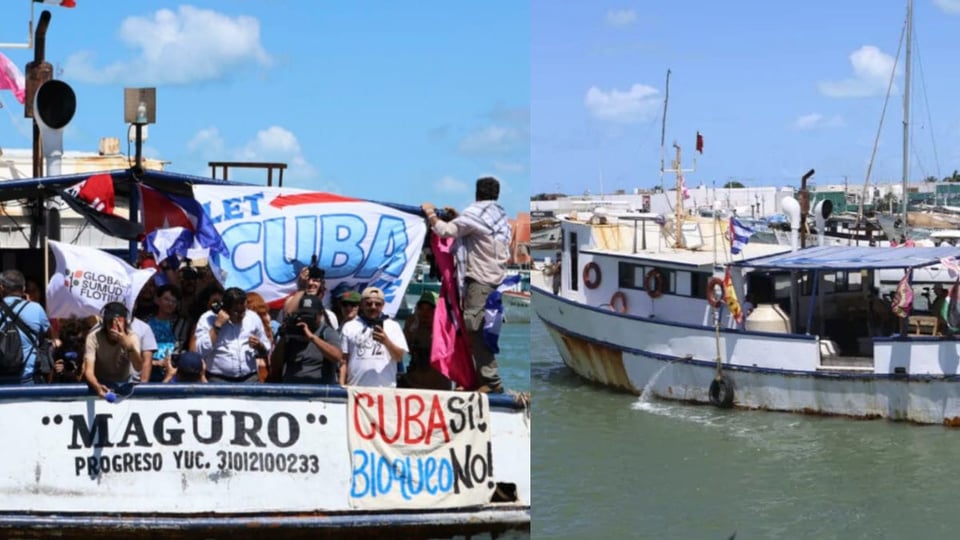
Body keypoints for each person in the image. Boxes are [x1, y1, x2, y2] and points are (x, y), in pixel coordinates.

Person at [421, 176, 510, 393]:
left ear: (477, 193)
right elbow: (478, 230)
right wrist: (459, 217)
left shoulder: (475, 213)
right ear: (496, 194)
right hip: (495, 281)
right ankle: (477, 378)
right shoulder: (499, 215)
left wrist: (430, 213)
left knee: (475, 328)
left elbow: (445, 231)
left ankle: (491, 382)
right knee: (484, 328)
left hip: (479, 280)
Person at [193, 287, 271, 383]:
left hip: (249, 379)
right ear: (225, 308)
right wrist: (217, 326)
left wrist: (259, 346)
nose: (241, 316)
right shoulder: (207, 319)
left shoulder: (253, 318)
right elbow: (200, 350)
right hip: (219, 380)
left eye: (243, 311)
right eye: (236, 312)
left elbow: (266, 348)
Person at [340, 287, 408, 387]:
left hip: (384, 391)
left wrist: (386, 341)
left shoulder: (393, 326)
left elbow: (399, 357)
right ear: (362, 305)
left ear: (383, 305)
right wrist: (342, 385)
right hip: (355, 389)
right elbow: (343, 360)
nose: (373, 307)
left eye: (378, 304)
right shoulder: (349, 326)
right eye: (368, 303)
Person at [270, 294, 343, 385]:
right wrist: (283, 338)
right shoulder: (293, 331)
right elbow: (275, 364)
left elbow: (337, 357)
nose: (307, 318)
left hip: (319, 389)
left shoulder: (327, 332)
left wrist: (313, 338)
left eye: (311, 315)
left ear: (320, 314)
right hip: (293, 389)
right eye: (304, 314)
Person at [82, 302, 144, 399]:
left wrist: (128, 346)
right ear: (104, 322)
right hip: (100, 381)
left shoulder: (132, 337)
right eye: (110, 322)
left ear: (126, 322)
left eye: (119, 321)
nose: (114, 326)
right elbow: (89, 371)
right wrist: (97, 386)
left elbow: (138, 367)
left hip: (123, 383)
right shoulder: (93, 337)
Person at [0, 270, 51, 385]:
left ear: (1, 288)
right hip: (28, 381)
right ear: (23, 289)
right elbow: (48, 334)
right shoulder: (36, 309)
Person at [401, 290, 451, 390]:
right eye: (422, 309)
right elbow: (404, 349)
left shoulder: (445, 330)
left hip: (438, 386)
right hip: (414, 382)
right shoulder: (413, 326)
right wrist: (412, 329)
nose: (425, 313)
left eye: (430, 309)